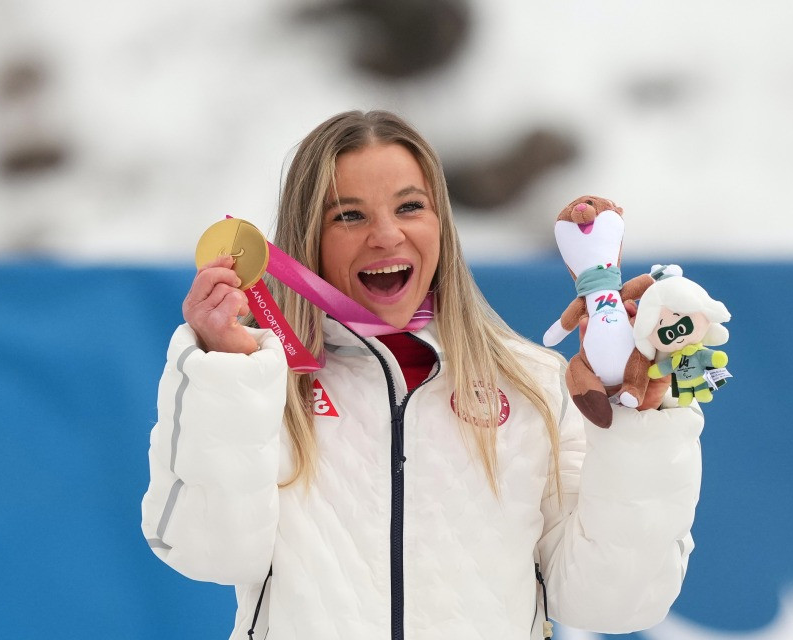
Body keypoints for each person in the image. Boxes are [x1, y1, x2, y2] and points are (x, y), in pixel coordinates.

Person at [141, 110, 703, 640]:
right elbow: (204, 551)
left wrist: (641, 422)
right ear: (308, 235)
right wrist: (227, 370)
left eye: (410, 207)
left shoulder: (532, 384)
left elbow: (613, 601)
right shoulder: (265, 382)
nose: (386, 235)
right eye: (350, 215)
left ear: (442, 225)